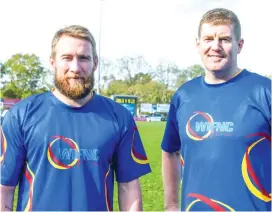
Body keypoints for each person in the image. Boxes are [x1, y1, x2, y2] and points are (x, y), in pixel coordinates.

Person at [0, 25, 151, 211]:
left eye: (83, 58)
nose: (75, 67)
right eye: (67, 58)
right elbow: (4, 190)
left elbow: (129, 189)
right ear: (52, 62)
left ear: (95, 63)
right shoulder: (21, 115)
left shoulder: (119, 117)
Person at [161, 8, 271, 211]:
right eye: (208, 38)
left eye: (225, 39)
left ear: (240, 45)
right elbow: (170, 151)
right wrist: (171, 205)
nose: (215, 46)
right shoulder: (184, 95)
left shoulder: (264, 91)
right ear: (198, 44)